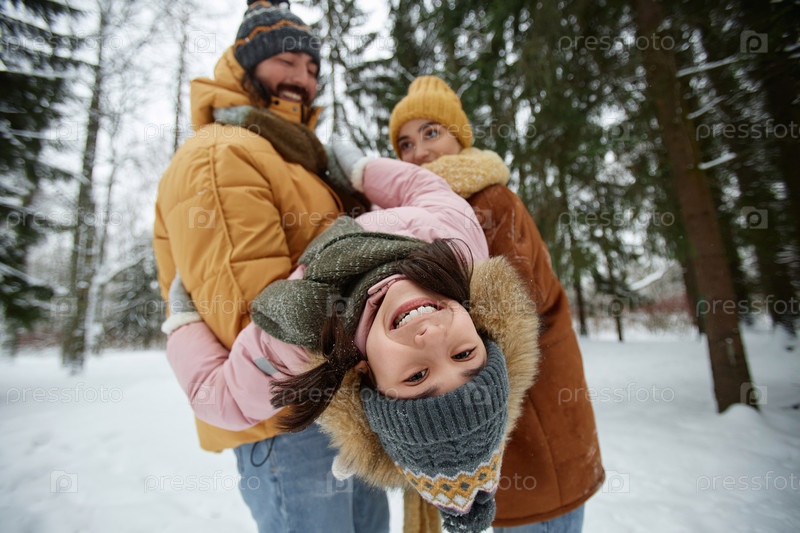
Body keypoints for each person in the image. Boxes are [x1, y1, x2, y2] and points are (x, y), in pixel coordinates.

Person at [162, 154, 542, 532]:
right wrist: (363, 170)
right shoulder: (457, 242)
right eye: (463, 354)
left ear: (366, 372)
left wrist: (181, 320)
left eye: (417, 376)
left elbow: (221, 399)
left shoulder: (303, 343)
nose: (431, 338)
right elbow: (426, 188)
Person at [152, 1, 384, 532]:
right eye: (286, 60)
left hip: (343, 408)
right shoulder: (221, 154)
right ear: (245, 65)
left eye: (311, 67)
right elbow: (256, 325)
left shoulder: (293, 158)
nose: (302, 78)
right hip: (288, 422)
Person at [386, 76, 605, 531]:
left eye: (431, 133)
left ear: (458, 137)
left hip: (536, 426)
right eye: (405, 144)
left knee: (537, 517)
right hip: (485, 426)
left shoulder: (489, 199)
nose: (419, 152)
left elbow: (513, 305)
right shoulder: (419, 217)